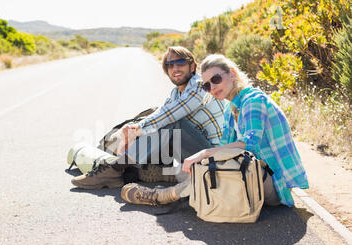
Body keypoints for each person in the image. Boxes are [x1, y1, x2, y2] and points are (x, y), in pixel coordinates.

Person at [122, 54, 308, 207]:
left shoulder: (253, 101)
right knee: (212, 167)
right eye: (207, 85)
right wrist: (204, 160)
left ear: (232, 74)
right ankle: (172, 181)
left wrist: (204, 153)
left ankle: (161, 196)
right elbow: (225, 149)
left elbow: (250, 145)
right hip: (252, 173)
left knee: (216, 169)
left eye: (216, 79)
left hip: (273, 184)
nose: (212, 88)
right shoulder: (231, 108)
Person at [71, 47, 226, 192]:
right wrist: (131, 129)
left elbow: (168, 115)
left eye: (180, 62)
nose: (175, 68)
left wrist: (136, 131)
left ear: (192, 66)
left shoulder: (201, 85)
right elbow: (158, 115)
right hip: (189, 152)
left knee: (171, 122)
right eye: (169, 64)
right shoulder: (175, 94)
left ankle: (115, 169)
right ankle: (131, 170)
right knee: (153, 123)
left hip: (214, 154)